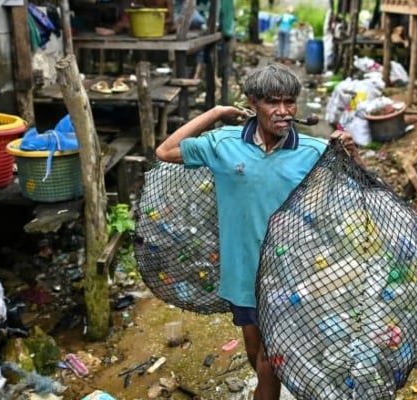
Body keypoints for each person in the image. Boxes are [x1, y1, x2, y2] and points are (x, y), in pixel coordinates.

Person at [155, 63, 362, 400]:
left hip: (292, 274)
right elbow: (164, 151)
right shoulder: (223, 145)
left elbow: (362, 189)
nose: (283, 112)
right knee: (256, 353)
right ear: (253, 103)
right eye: (272, 103)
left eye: (290, 103)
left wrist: (353, 154)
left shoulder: (312, 151)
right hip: (242, 272)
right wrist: (216, 112)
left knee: (271, 359)